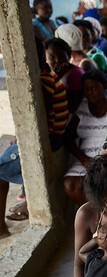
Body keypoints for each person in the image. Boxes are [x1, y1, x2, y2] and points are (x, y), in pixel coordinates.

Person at [0, 38, 70, 230]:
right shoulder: (50, 76)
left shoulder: (44, 81)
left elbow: (41, 121)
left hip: (49, 140)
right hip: (55, 137)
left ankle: (0, 227)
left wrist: (22, 139)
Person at [64, 70, 107, 206]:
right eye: (87, 89)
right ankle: (97, 214)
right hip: (86, 159)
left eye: (94, 88)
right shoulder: (81, 109)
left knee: (106, 181)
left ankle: (105, 214)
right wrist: (84, 159)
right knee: (71, 184)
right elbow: (68, 139)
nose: (90, 92)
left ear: (104, 86)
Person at [44, 38, 84, 113]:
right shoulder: (50, 74)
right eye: (52, 57)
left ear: (68, 57)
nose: (57, 60)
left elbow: (72, 107)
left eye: (61, 56)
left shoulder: (75, 74)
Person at [85, 16, 107, 98]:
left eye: (91, 31)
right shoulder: (95, 45)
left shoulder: (103, 46)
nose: (88, 35)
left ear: (97, 31)